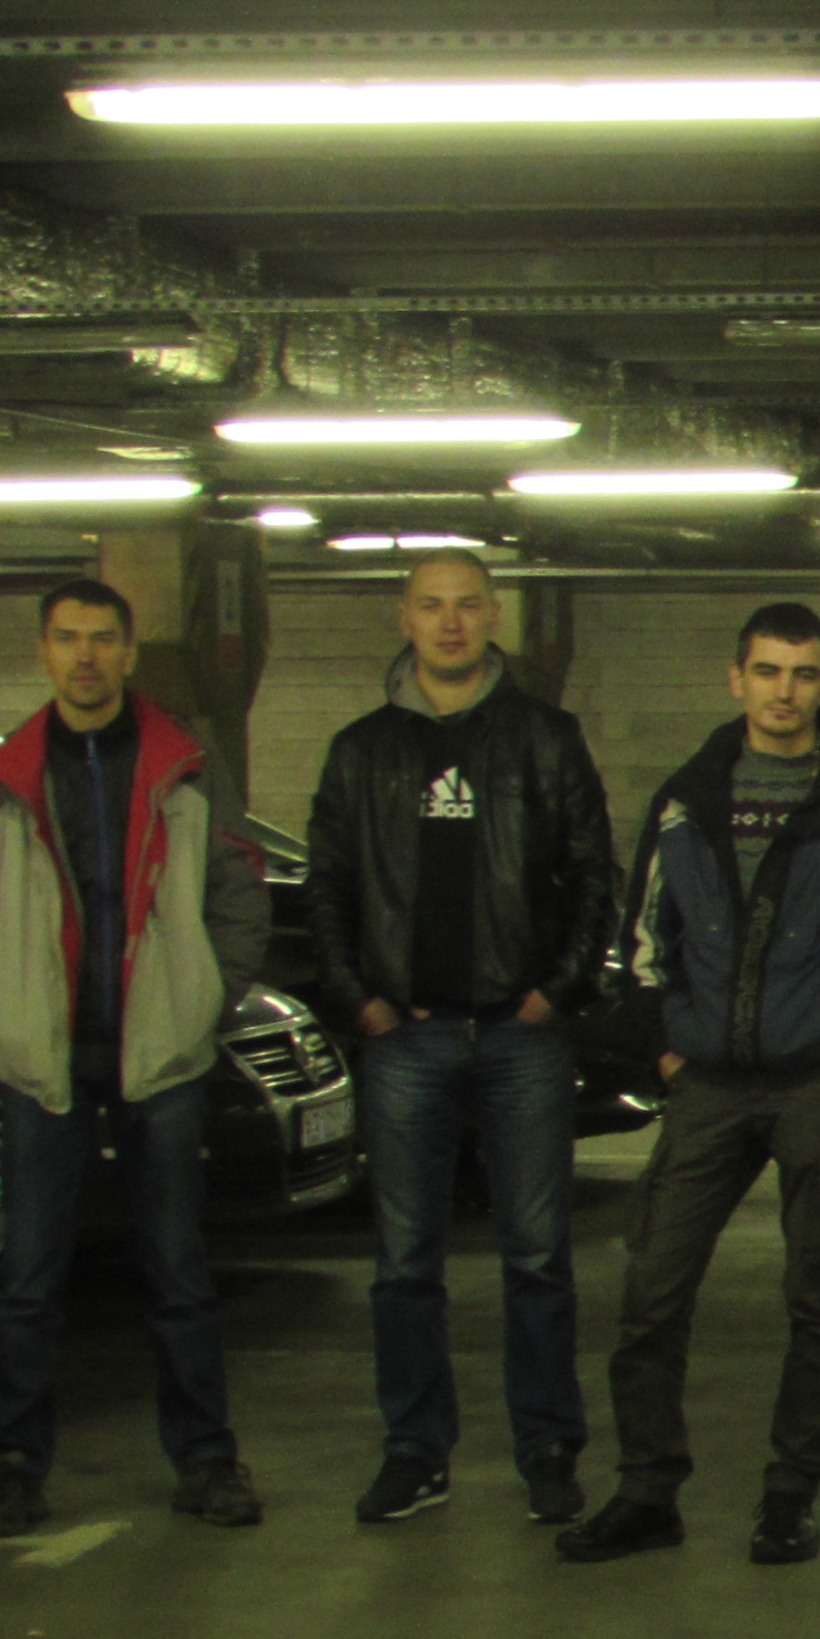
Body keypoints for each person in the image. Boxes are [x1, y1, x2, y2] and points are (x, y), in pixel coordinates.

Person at [560, 603, 820, 1568]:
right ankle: (647, 1490)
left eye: (803, 674)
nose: (785, 692)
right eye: (767, 671)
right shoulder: (687, 800)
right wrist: (667, 1056)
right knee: (651, 1294)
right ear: (737, 679)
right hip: (707, 1089)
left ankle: (789, 1497)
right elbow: (644, 943)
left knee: (818, 1300)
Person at [0, 578, 274, 1537]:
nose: (86, 655)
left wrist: (201, 1003)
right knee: (30, 1279)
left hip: (160, 1059)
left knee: (179, 1273)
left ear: (128, 652)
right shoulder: (3, 778)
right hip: (44, 1065)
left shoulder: (183, 767)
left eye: (103, 638)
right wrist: (1, 1011)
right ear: (44, 651)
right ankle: (12, 1468)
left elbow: (241, 896)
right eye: (69, 638)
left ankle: (207, 1461)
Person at [304, 547, 620, 1527]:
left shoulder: (545, 739)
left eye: (469, 605)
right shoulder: (360, 752)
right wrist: (359, 998)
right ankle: (415, 1452)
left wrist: (556, 991)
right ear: (404, 618)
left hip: (520, 1037)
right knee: (405, 1264)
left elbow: (593, 873)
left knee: (538, 1259)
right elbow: (327, 886)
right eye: (432, 605)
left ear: (493, 618)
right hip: (407, 1041)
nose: (450, 622)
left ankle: (548, 1450)